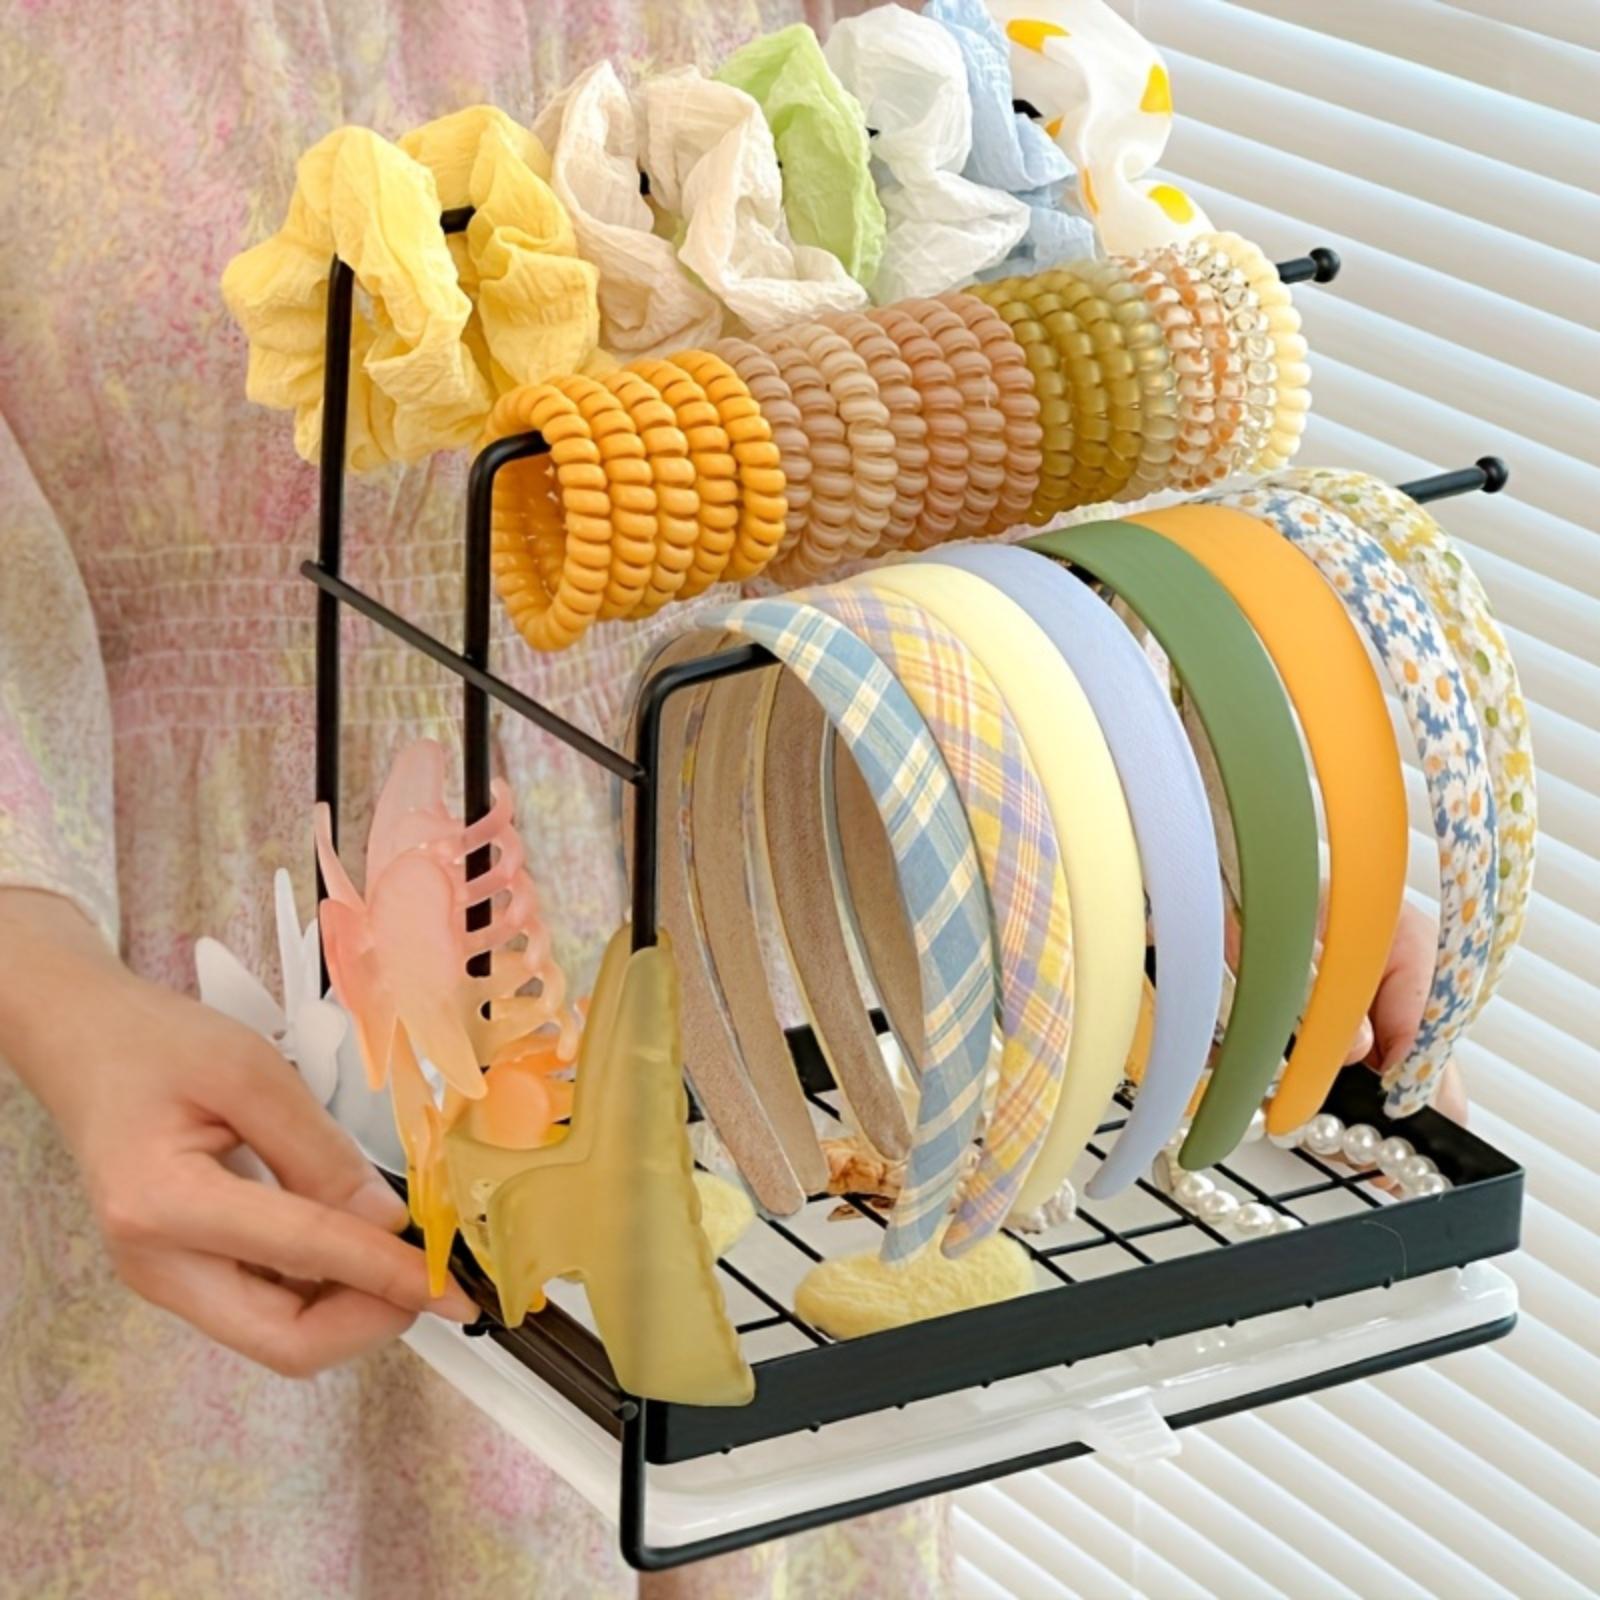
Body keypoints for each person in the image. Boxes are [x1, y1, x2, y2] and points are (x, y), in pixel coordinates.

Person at [0, 3, 1461, 1594]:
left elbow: (991, 382)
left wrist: (1185, 796)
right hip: (174, 1021)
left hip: (761, 927)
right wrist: (59, 999)